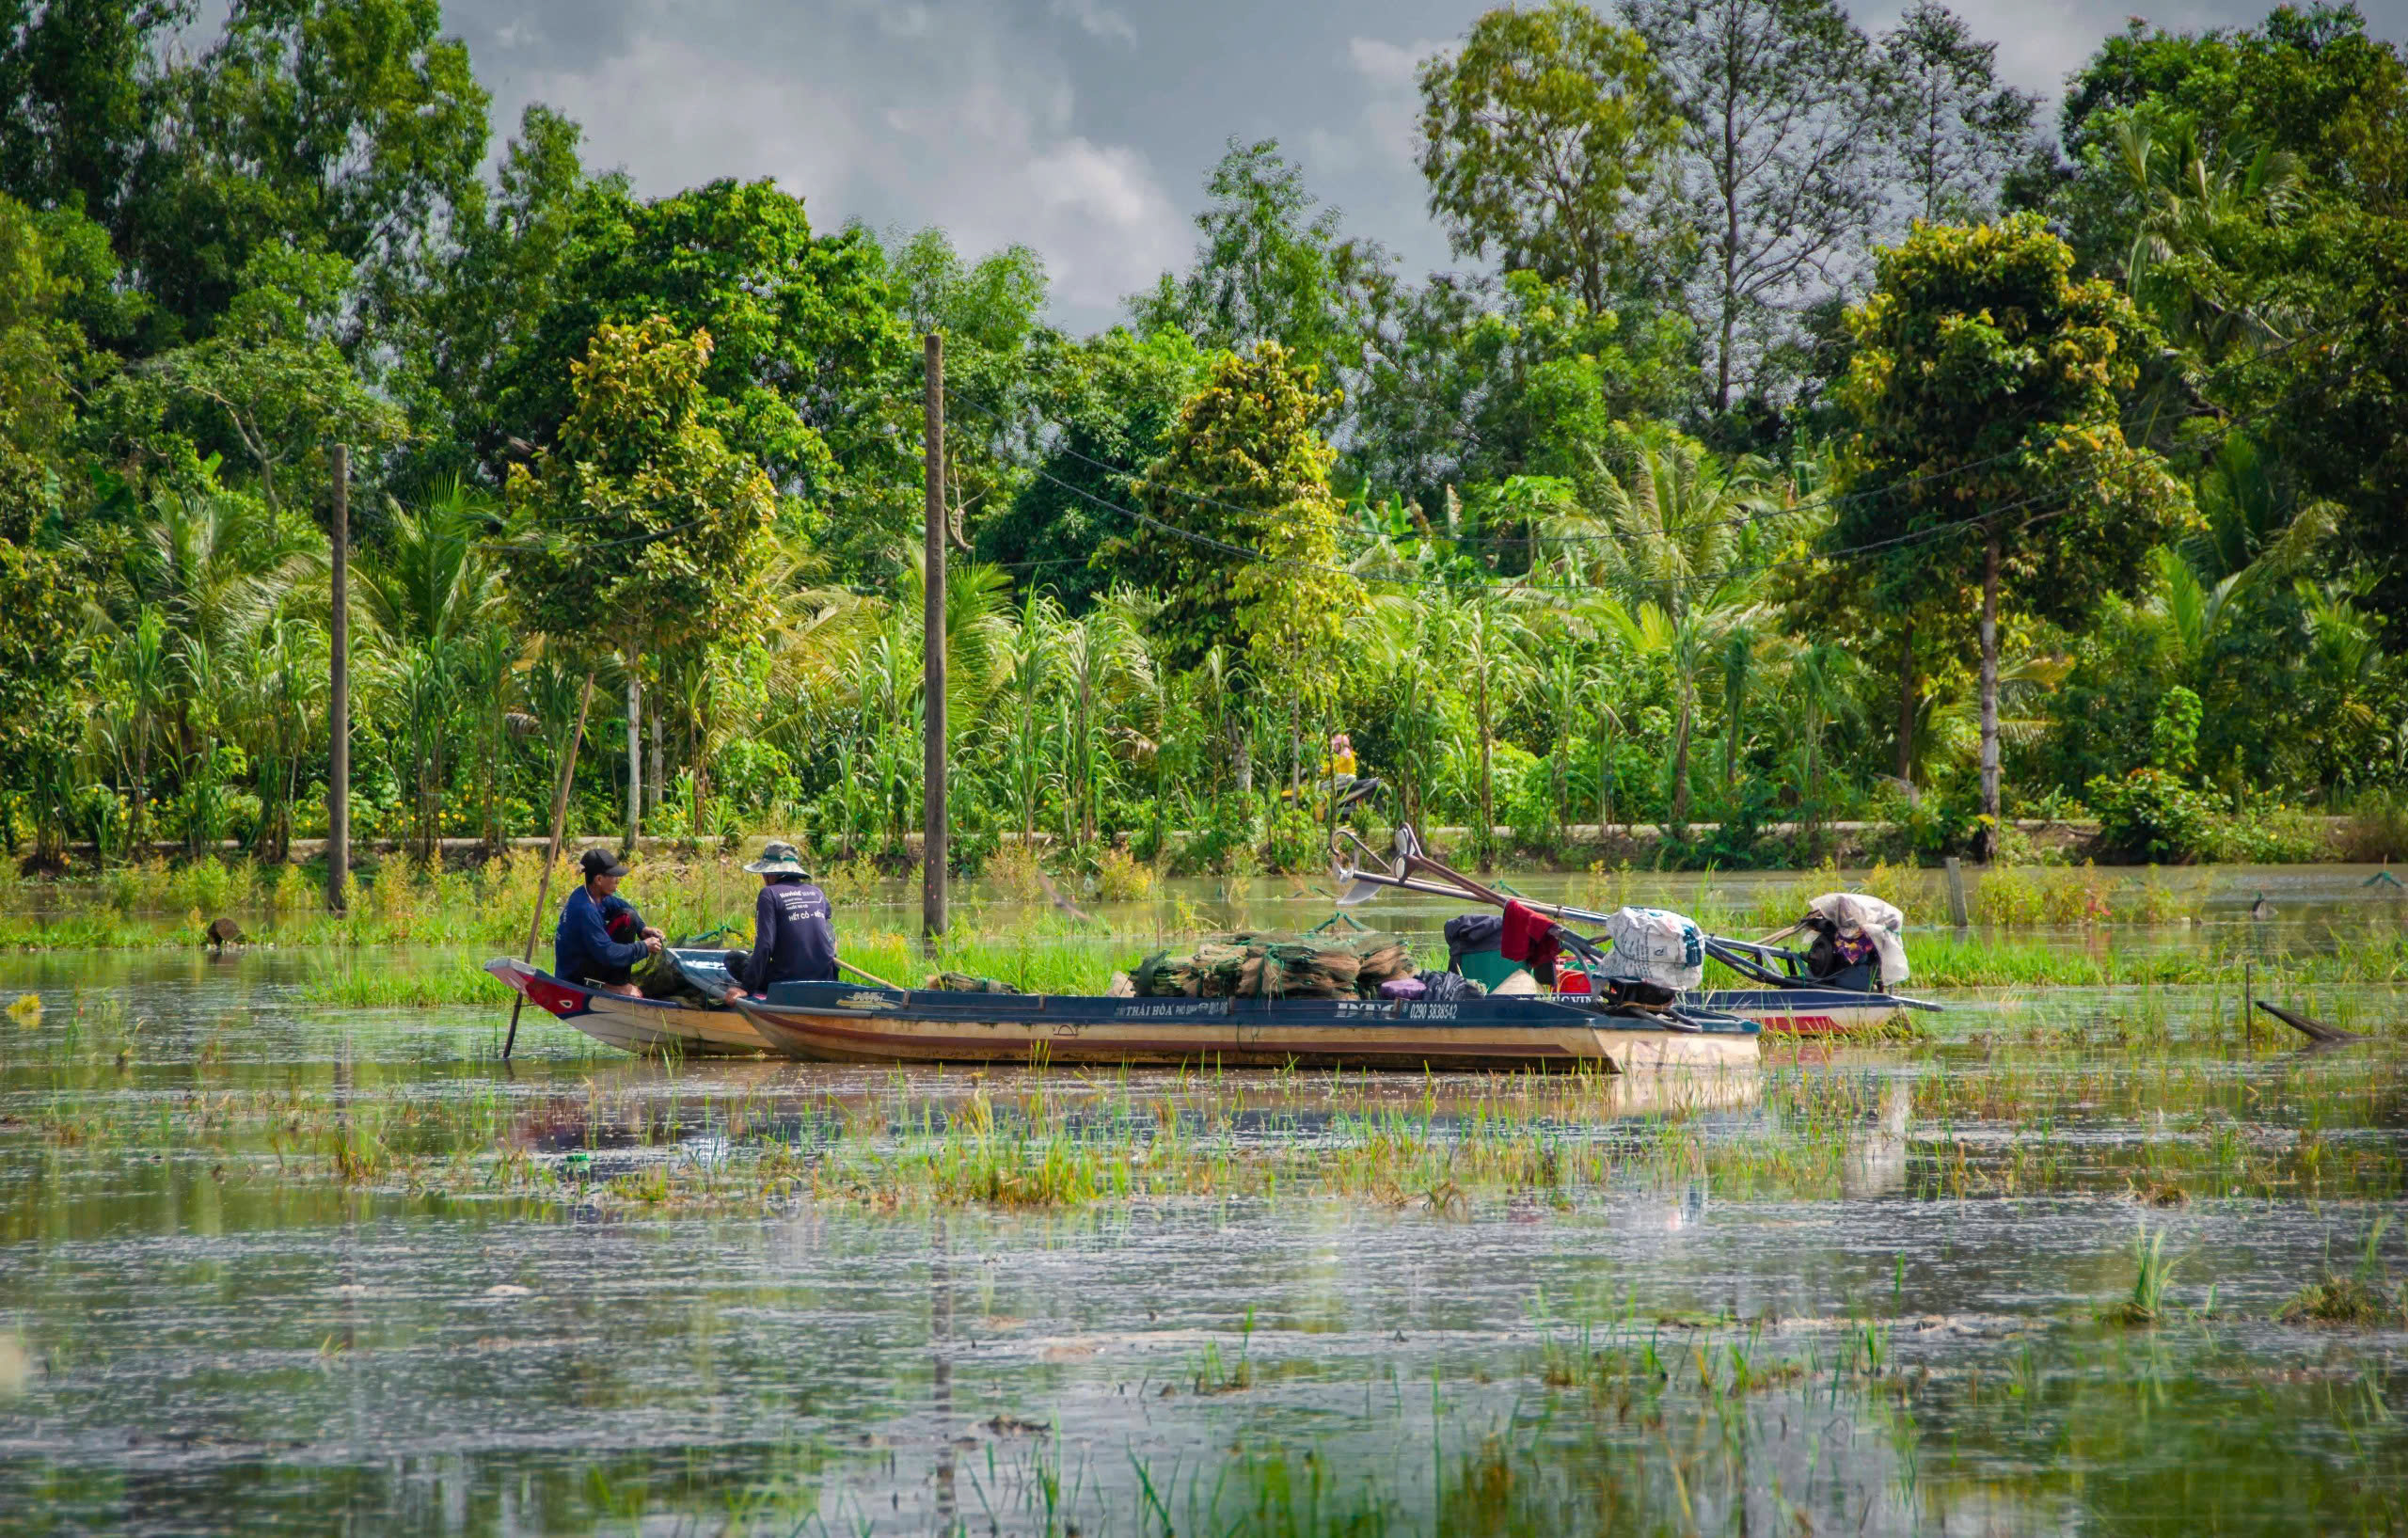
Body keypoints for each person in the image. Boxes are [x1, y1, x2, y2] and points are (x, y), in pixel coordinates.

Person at [721, 841, 838, 1002]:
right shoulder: (817, 892)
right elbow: (831, 938)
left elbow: (765, 946)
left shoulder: (768, 894)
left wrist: (746, 988)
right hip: (824, 978)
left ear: (770, 875)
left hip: (786, 981)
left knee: (733, 959)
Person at [555, 848, 663, 996]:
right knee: (624, 927)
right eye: (614, 876)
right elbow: (608, 953)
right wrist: (644, 946)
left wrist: (643, 929)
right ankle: (616, 986)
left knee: (628, 916)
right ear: (599, 879)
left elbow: (622, 906)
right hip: (575, 978)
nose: (618, 881)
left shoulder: (594, 895)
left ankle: (615, 983)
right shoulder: (585, 910)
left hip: (588, 964)